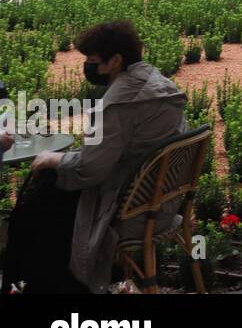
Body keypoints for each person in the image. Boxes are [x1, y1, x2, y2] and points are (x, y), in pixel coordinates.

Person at [2, 21, 187, 293]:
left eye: (92, 61)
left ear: (115, 60)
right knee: (47, 196)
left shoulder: (118, 103)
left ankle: (45, 284)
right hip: (159, 201)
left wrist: (52, 159)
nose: (87, 67)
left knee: (36, 206)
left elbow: (90, 169)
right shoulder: (158, 83)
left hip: (131, 211)